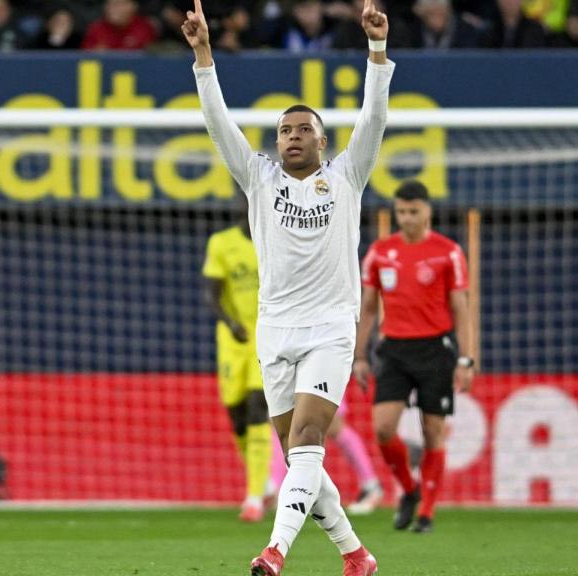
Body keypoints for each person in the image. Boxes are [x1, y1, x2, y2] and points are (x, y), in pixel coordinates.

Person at [183, 0, 393, 573]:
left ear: (323, 143)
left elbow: (372, 121)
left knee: (306, 439)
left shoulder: (346, 176)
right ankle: (356, 555)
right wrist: (204, 55)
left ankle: (274, 552)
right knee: (301, 455)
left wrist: (376, 53)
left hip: (329, 326)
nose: (293, 136)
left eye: (305, 129)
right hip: (273, 329)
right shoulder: (258, 178)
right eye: (285, 130)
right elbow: (217, 123)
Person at [354, 180, 477, 533]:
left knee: (433, 431)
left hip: (435, 348)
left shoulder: (447, 252)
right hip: (394, 349)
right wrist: (360, 356)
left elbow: (461, 308)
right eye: (401, 212)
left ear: (427, 211)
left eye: (413, 211)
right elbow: (369, 307)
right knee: (382, 428)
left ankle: (427, 512)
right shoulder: (379, 253)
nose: (406, 219)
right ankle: (410, 489)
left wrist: (466, 360)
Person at [203, 207, 275, 523]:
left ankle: (254, 497)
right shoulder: (221, 243)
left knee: (259, 408)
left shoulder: (275, 239)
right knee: (237, 416)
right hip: (233, 342)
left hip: (267, 339)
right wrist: (230, 323)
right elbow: (211, 295)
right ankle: (264, 483)